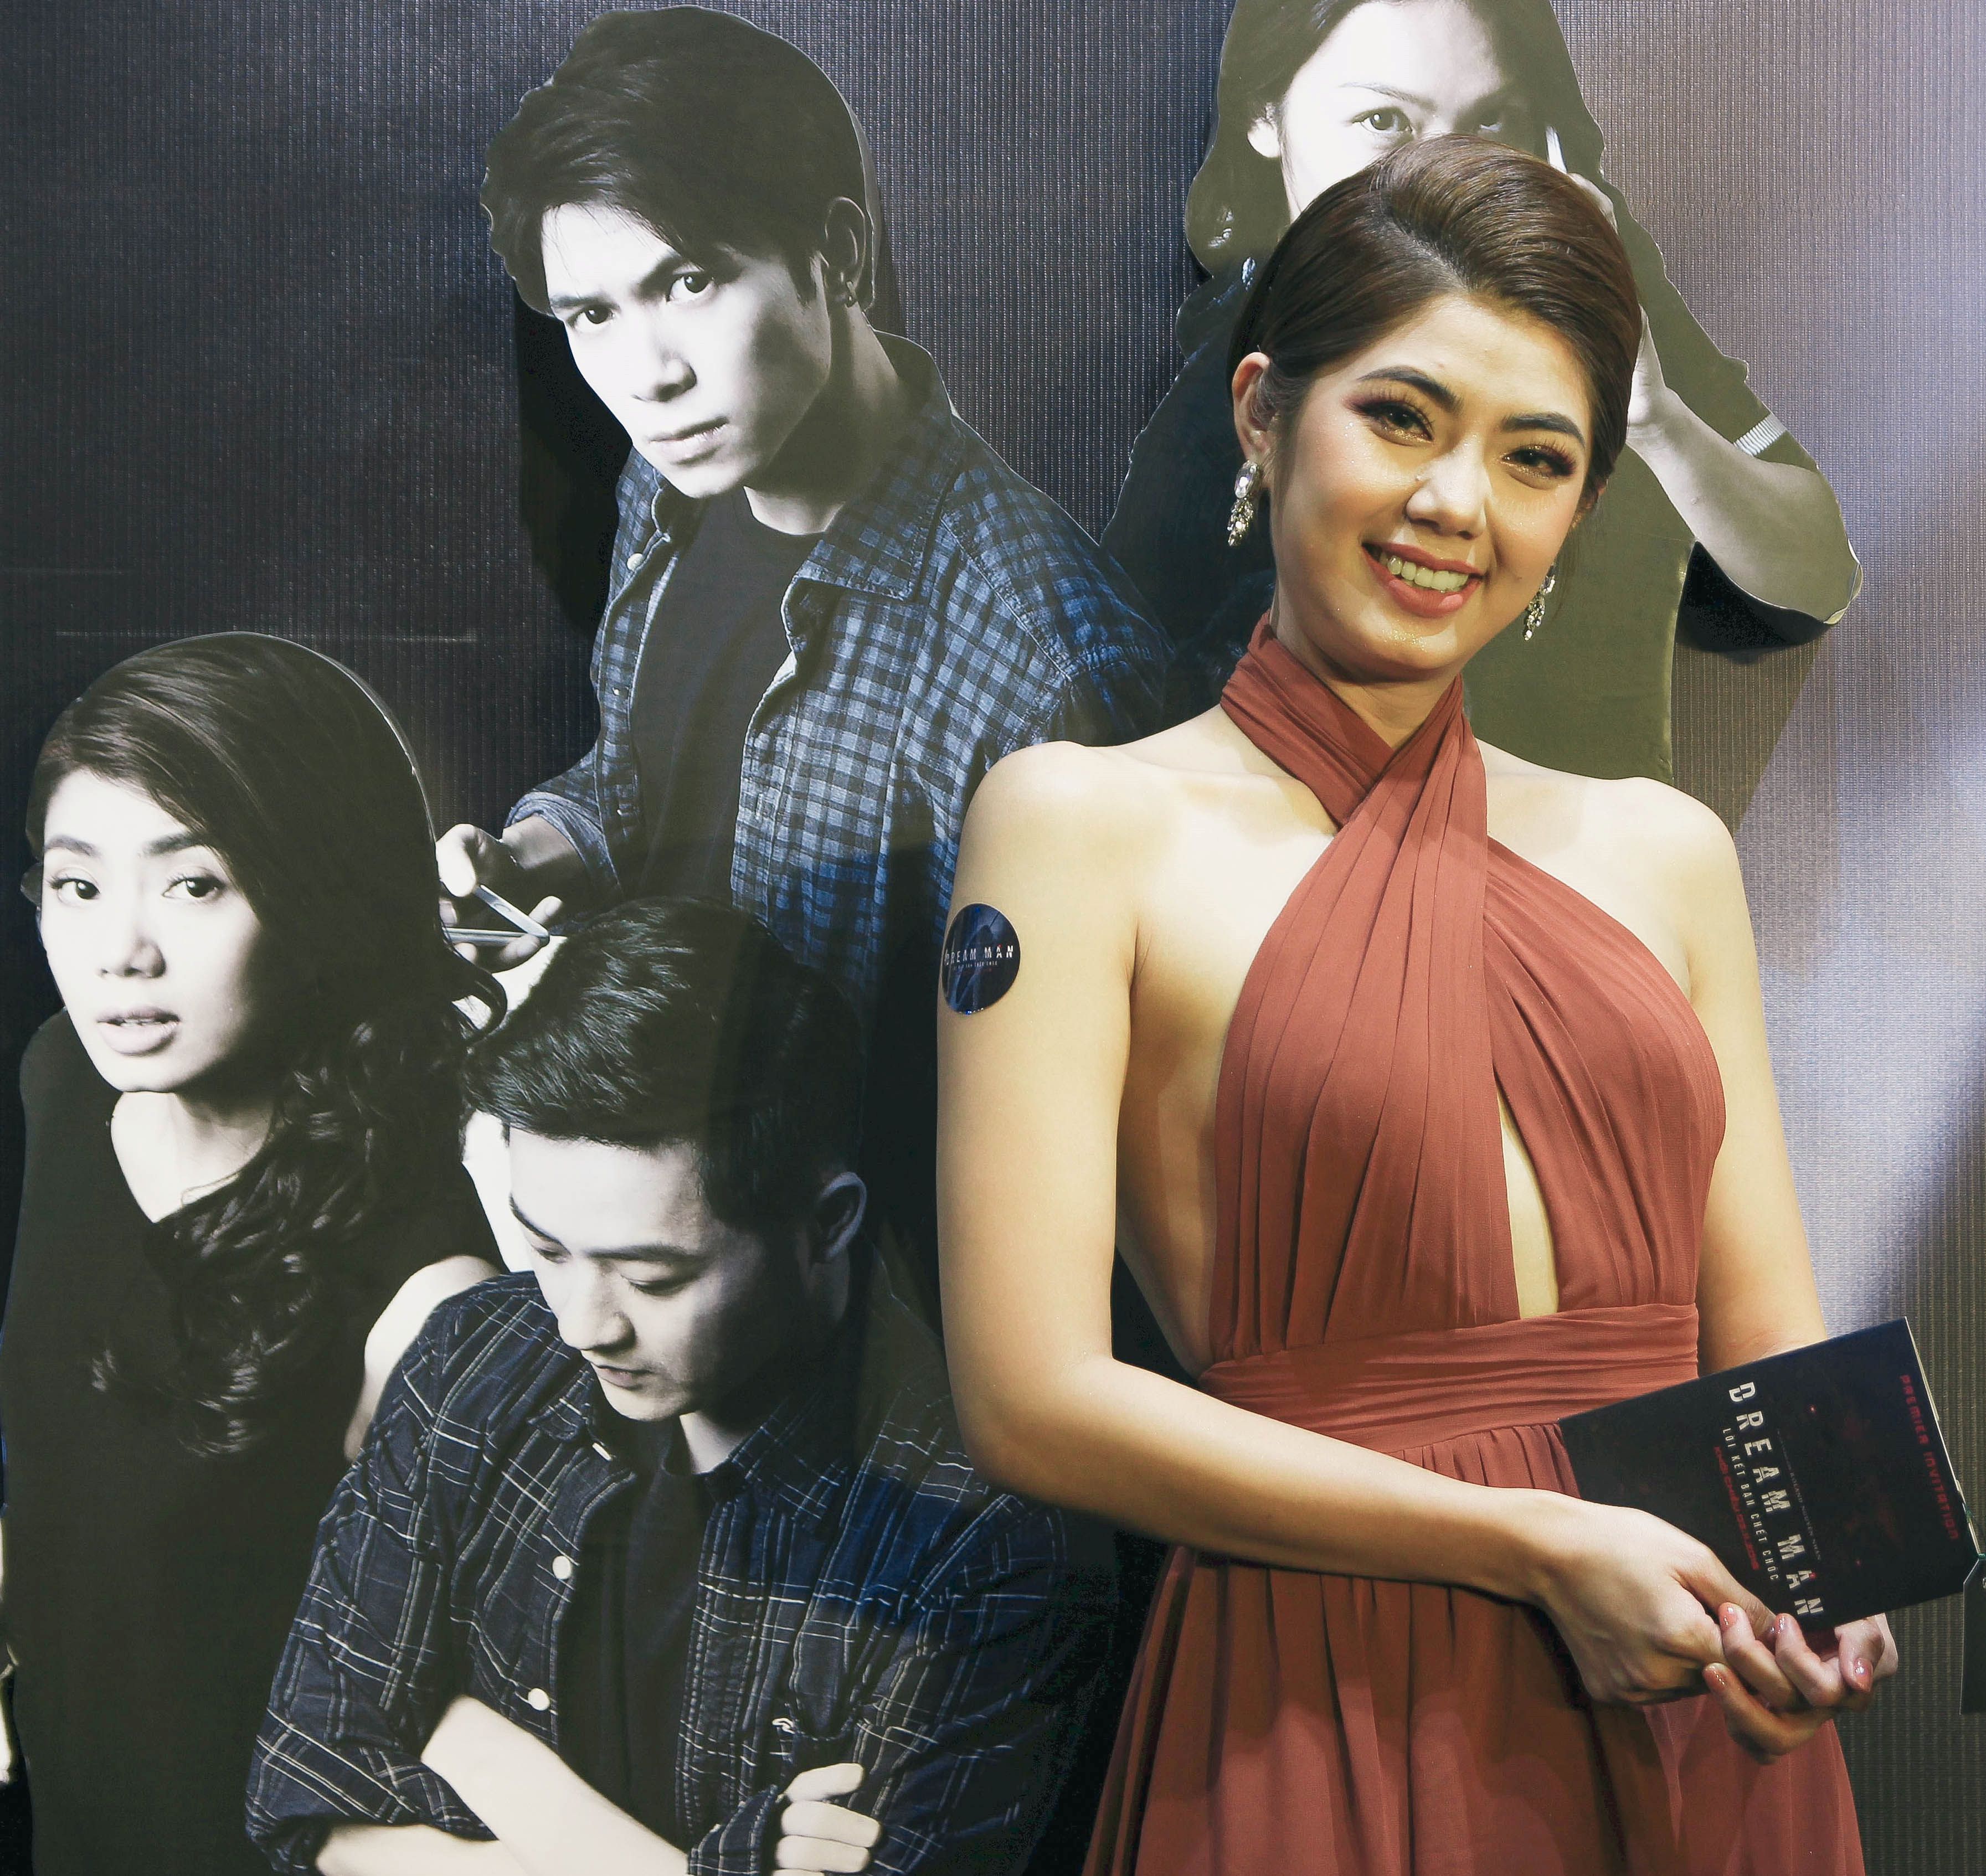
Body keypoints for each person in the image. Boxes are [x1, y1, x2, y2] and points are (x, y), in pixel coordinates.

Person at [939, 139, 1889, 1874]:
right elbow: (1030, 1395)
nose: (1459, 502)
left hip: (1699, 1701)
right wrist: (1533, 1545)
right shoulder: (1077, 825)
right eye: (1401, 418)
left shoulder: (1664, 851)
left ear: (1578, 511)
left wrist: (1828, 1574)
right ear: (1262, 415)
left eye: (1535, 458)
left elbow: (1766, 1342)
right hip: (1329, 1687)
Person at [440, 8, 1174, 1301]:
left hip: (854, 1300)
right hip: (639, 1217)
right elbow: (649, 778)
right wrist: (540, 856)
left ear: (835, 252)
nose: (647, 373)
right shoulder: (670, 486)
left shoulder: (1046, 657)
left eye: (689, 282)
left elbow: (1090, 1145)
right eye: (592, 313)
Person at [246, 897, 1114, 1876]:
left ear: (826, 1226)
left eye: (653, 1278)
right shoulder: (470, 1355)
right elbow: (307, 1801)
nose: (582, 1326)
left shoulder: (987, 1542)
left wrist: (476, 1749)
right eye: (546, 1251)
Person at [0, 635, 502, 1875]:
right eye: (77, 886)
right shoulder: (65, 1081)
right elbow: (68, 1475)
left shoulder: (428, 1288)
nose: (121, 953)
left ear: (319, 892)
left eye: (194, 885)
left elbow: (466, 1716)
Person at [1101, 0, 1859, 817]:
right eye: (1385, 122)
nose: (1445, 168)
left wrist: (1656, 422)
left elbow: (1816, 581)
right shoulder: (1215, 402)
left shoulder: (1595, 301)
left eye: (1492, 121)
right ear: (1265, 117)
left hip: (1563, 849)